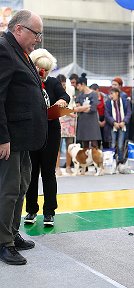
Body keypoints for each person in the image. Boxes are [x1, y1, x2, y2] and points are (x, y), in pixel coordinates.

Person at [0, 10, 47, 265]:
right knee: (7, 191)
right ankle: (3, 242)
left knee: (20, 187)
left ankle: (12, 232)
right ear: (19, 29)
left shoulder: (21, 52)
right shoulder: (4, 50)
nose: (38, 39)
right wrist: (2, 137)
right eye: (35, 33)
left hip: (24, 138)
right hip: (10, 139)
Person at [24, 49, 70, 227]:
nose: (41, 72)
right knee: (32, 173)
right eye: (38, 67)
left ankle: (49, 212)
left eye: (45, 69)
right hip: (32, 132)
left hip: (51, 133)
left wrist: (62, 101)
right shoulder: (27, 83)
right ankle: (31, 210)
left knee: (49, 173)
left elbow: (64, 95)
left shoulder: (52, 82)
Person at [55, 74, 76, 176]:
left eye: (64, 84)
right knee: (57, 146)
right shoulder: (54, 90)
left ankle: (68, 166)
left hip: (70, 120)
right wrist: (68, 112)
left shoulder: (71, 90)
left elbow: (73, 103)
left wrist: (73, 110)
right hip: (59, 119)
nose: (63, 87)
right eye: (61, 85)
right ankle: (57, 167)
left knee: (70, 145)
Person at [74, 73, 102, 149]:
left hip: (92, 122)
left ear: (82, 84)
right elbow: (77, 108)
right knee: (84, 145)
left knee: (94, 144)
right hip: (83, 121)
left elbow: (93, 108)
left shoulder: (93, 94)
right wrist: (86, 107)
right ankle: (85, 160)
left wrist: (82, 108)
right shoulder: (80, 95)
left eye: (78, 85)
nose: (77, 88)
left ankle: (96, 160)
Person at [105, 87, 131, 164]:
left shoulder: (125, 101)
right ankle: (111, 161)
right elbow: (107, 114)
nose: (111, 96)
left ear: (117, 93)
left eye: (112, 94)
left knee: (120, 145)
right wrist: (114, 122)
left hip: (123, 126)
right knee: (112, 144)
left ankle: (120, 161)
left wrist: (124, 122)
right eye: (110, 94)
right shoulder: (108, 102)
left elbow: (128, 113)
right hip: (113, 126)